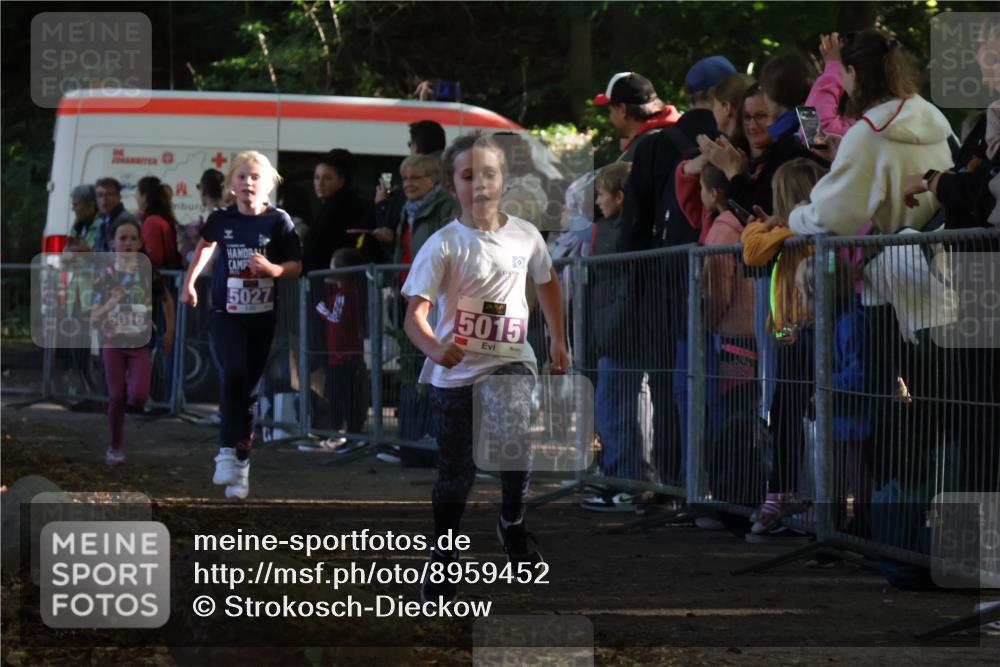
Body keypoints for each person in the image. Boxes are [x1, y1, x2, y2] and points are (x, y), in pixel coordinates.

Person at [401, 133, 569, 602]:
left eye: (488, 174)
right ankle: (443, 554)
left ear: (505, 180)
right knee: (455, 472)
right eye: (468, 176)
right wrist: (435, 348)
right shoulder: (442, 244)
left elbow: (547, 281)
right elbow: (414, 316)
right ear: (452, 185)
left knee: (513, 433)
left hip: (511, 359)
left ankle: (512, 522)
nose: (479, 185)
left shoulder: (526, 234)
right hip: (455, 369)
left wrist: (558, 338)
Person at [181, 151, 303, 499]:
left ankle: (242, 464)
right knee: (233, 373)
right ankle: (225, 452)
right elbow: (205, 246)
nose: (248, 182)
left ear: (268, 185)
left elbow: (295, 264)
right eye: (242, 177)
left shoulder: (278, 220)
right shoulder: (221, 218)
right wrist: (190, 283)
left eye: (255, 177)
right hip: (226, 312)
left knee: (249, 390)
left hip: (261, 315)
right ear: (231, 184)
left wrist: (274, 270)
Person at [741, 158, 827, 535]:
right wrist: (771, 227)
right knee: (784, 411)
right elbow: (754, 250)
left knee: (803, 413)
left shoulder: (805, 229)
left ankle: (797, 495)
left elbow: (753, 246)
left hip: (806, 332)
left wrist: (771, 227)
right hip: (787, 332)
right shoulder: (787, 231)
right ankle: (785, 491)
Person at [579, 162, 653, 511]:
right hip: (611, 331)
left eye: (601, 195)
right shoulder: (609, 230)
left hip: (621, 334)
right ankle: (619, 476)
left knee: (615, 409)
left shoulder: (623, 233)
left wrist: (611, 331)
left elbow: (622, 289)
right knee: (612, 407)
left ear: (620, 196)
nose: (598, 202)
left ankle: (625, 481)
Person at [700, 52, 826, 216]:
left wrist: (732, 171)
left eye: (760, 115)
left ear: (773, 95)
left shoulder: (790, 143)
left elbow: (758, 210)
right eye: (747, 117)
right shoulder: (812, 125)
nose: (752, 125)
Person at [89, 219, 154, 465]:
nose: (128, 243)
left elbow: (167, 299)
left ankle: (132, 386)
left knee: (138, 397)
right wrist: (110, 304)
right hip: (113, 343)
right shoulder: (104, 277)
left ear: (140, 243)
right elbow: (93, 315)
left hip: (138, 343)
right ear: (112, 242)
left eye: (133, 238)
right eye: (122, 238)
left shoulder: (147, 272)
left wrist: (169, 331)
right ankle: (115, 447)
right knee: (116, 397)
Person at [314, 248, 368, 439]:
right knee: (346, 393)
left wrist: (320, 308)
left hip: (342, 355)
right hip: (346, 354)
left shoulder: (344, 295)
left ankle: (342, 429)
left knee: (340, 393)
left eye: (333, 266)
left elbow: (336, 318)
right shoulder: (348, 292)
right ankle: (347, 428)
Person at [374, 120, 449, 248]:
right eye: (405, 179)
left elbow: (392, 228)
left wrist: (382, 205)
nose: (408, 184)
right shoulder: (454, 173)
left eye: (415, 178)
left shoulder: (413, 197)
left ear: (416, 147)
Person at [302, 149, 374, 273]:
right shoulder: (331, 206)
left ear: (342, 181)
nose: (320, 183)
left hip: (332, 275)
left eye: (328, 178)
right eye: (317, 177)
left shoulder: (338, 208)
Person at [593, 71, 680, 162]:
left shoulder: (642, 151)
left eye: (610, 111)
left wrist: (629, 154)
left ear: (622, 109)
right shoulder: (679, 129)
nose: (610, 117)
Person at [94, 178, 139, 253]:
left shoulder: (127, 221)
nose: (104, 199)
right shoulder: (102, 220)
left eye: (109, 194)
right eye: (100, 195)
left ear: (119, 197)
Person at [70, 185, 102, 250]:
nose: (73, 209)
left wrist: (87, 252)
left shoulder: (102, 226)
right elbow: (66, 250)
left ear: (89, 205)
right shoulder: (77, 225)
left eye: (76, 204)